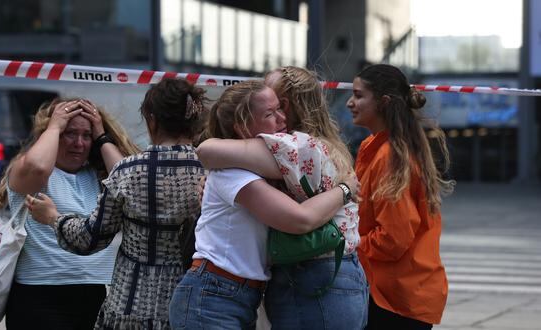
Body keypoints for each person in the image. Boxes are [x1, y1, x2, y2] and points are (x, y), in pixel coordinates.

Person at [168, 80, 353, 329]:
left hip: (232, 294)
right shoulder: (232, 172)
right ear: (242, 127)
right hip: (214, 295)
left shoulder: (253, 167)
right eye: (269, 113)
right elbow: (300, 219)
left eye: (280, 108)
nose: (281, 118)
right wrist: (346, 189)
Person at [25, 78, 208, 329]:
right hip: (193, 305)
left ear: (151, 120)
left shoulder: (129, 171)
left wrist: (53, 218)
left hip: (130, 306)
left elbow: (88, 239)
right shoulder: (212, 171)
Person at [0, 98, 138, 329]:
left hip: (95, 295)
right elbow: (38, 166)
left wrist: (101, 135)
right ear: (51, 134)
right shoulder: (29, 170)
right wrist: (55, 125)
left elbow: (133, 187)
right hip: (39, 297)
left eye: (86, 135)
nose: (79, 143)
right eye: (69, 133)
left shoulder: (97, 175)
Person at [346, 64, 455, 329]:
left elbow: (393, 238)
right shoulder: (380, 145)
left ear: (383, 102)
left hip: (396, 297)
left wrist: (348, 244)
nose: (350, 102)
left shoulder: (390, 155)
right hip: (398, 290)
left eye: (359, 95)